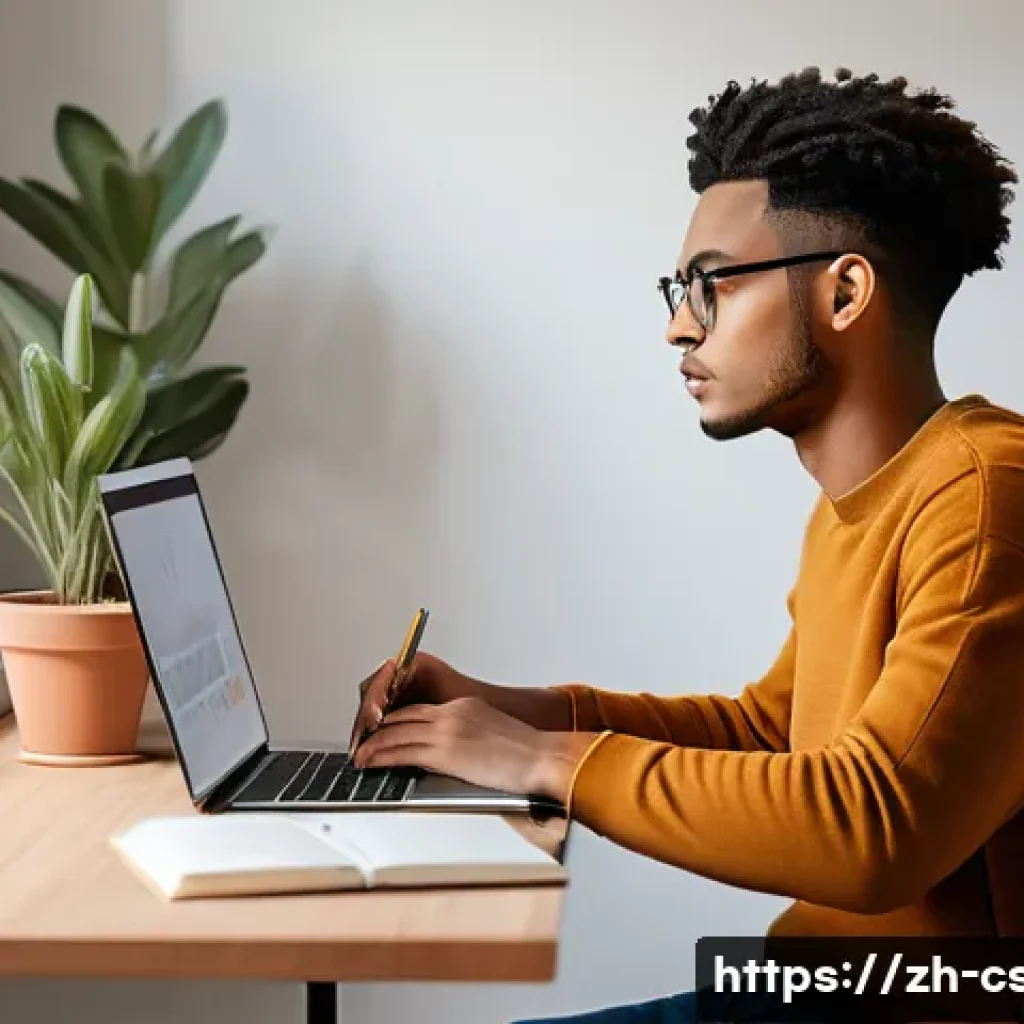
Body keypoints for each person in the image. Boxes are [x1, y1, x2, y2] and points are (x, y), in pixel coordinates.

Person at [349, 67, 1022, 1023]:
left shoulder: (988, 496)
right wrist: (510, 714)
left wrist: (544, 764)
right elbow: (772, 736)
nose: (677, 326)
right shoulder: (860, 505)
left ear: (844, 292)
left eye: (710, 286)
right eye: (679, 289)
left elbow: (875, 829)